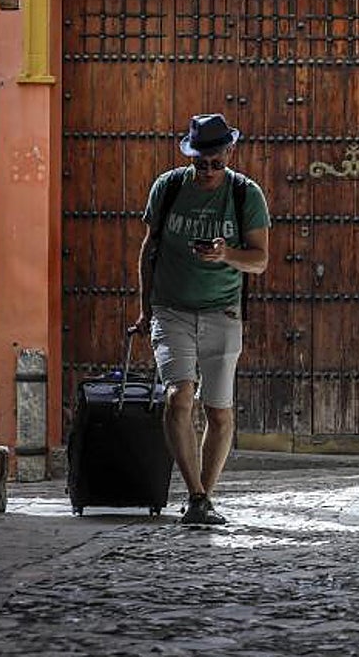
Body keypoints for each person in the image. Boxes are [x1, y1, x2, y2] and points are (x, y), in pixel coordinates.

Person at [132, 113, 270, 525]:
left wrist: (226, 254)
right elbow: (148, 248)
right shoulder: (169, 187)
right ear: (190, 157)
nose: (208, 170)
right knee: (178, 396)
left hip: (223, 312)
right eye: (200, 163)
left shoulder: (246, 194)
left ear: (229, 152)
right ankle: (194, 493)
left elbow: (260, 261)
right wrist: (145, 308)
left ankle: (205, 497)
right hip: (170, 309)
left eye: (216, 162)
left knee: (219, 411)